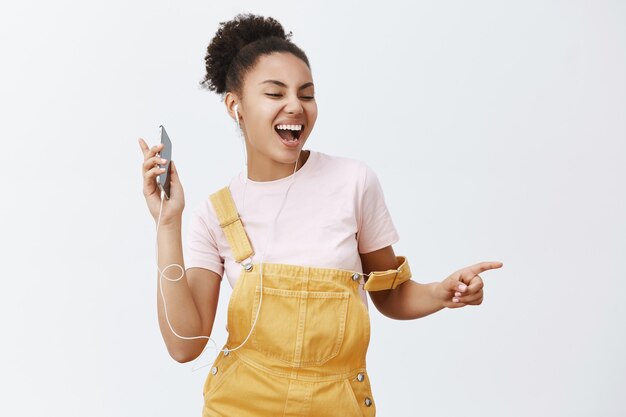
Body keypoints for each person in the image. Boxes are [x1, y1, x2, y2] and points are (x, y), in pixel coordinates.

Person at [138, 13, 503, 417]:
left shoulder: (352, 183)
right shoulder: (216, 213)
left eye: (306, 94)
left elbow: (390, 293)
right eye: (275, 94)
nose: (295, 105)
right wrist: (167, 223)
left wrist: (443, 292)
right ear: (235, 106)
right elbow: (184, 343)